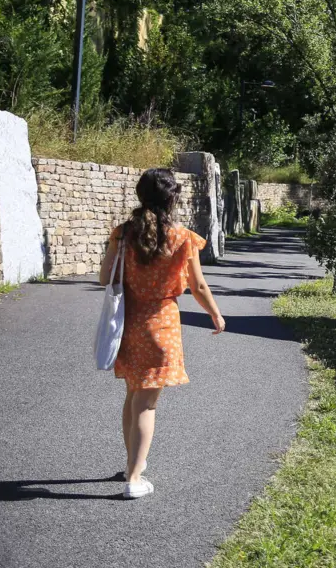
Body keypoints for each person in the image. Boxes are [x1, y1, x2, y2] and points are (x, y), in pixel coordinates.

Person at [98, 168, 225, 499]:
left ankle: (131, 466)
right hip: (162, 325)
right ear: (173, 199)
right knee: (147, 403)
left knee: (132, 395)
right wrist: (214, 312)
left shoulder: (123, 233)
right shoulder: (183, 237)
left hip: (129, 323)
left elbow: (104, 278)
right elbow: (197, 285)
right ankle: (135, 478)